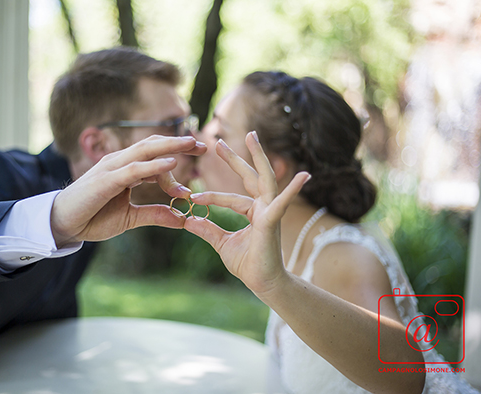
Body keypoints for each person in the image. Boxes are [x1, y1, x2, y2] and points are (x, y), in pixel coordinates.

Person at [0, 47, 206, 394]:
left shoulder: (109, 208)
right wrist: (52, 220)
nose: (193, 140)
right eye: (172, 126)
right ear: (99, 144)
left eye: (187, 124)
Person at [186, 71, 479, 393]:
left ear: (271, 166)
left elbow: (405, 374)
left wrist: (275, 285)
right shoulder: (296, 244)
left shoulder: (343, 255)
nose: (201, 137)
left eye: (219, 130)